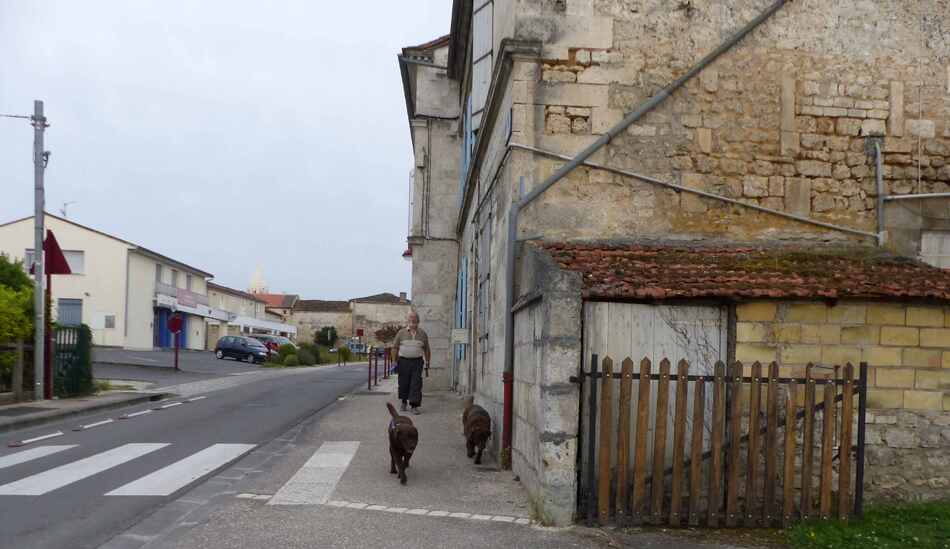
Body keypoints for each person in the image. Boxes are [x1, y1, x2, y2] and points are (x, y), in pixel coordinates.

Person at [391, 311, 430, 415]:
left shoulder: (423, 334)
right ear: (408, 321)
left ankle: (414, 406)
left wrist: (427, 362)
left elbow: (427, 349)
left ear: (418, 321)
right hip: (403, 361)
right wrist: (394, 362)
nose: (413, 321)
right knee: (404, 383)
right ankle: (404, 402)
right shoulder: (401, 333)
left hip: (417, 362)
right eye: (411, 320)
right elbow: (394, 347)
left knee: (416, 384)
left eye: (415, 320)